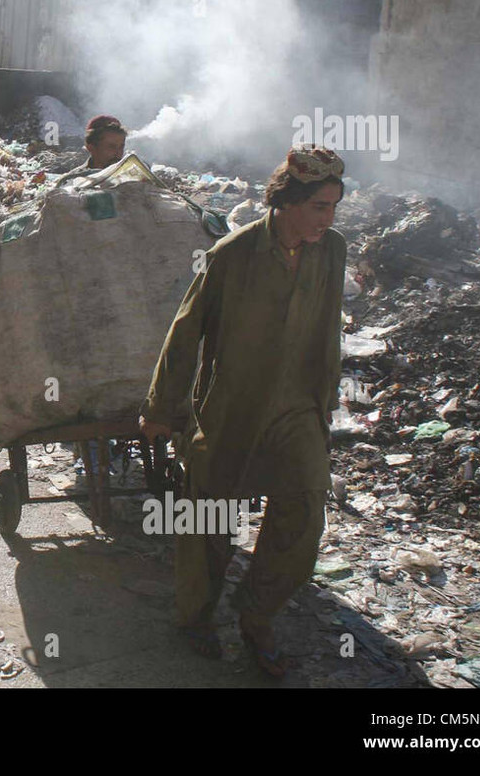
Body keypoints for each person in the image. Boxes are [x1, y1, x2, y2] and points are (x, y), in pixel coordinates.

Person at [140, 144, 347, 677]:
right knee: (209, 519)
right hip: (234, 406)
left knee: (303, 511)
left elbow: (327, 329)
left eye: (334, 207)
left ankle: (257, 616)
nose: (328, 219)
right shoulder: (233, 254)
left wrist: (326, 403)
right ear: (287, 201)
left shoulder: (332, 251)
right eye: (320, 206)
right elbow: (186, 332)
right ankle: (196, 616)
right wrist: (163, 408)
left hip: (299, 406)